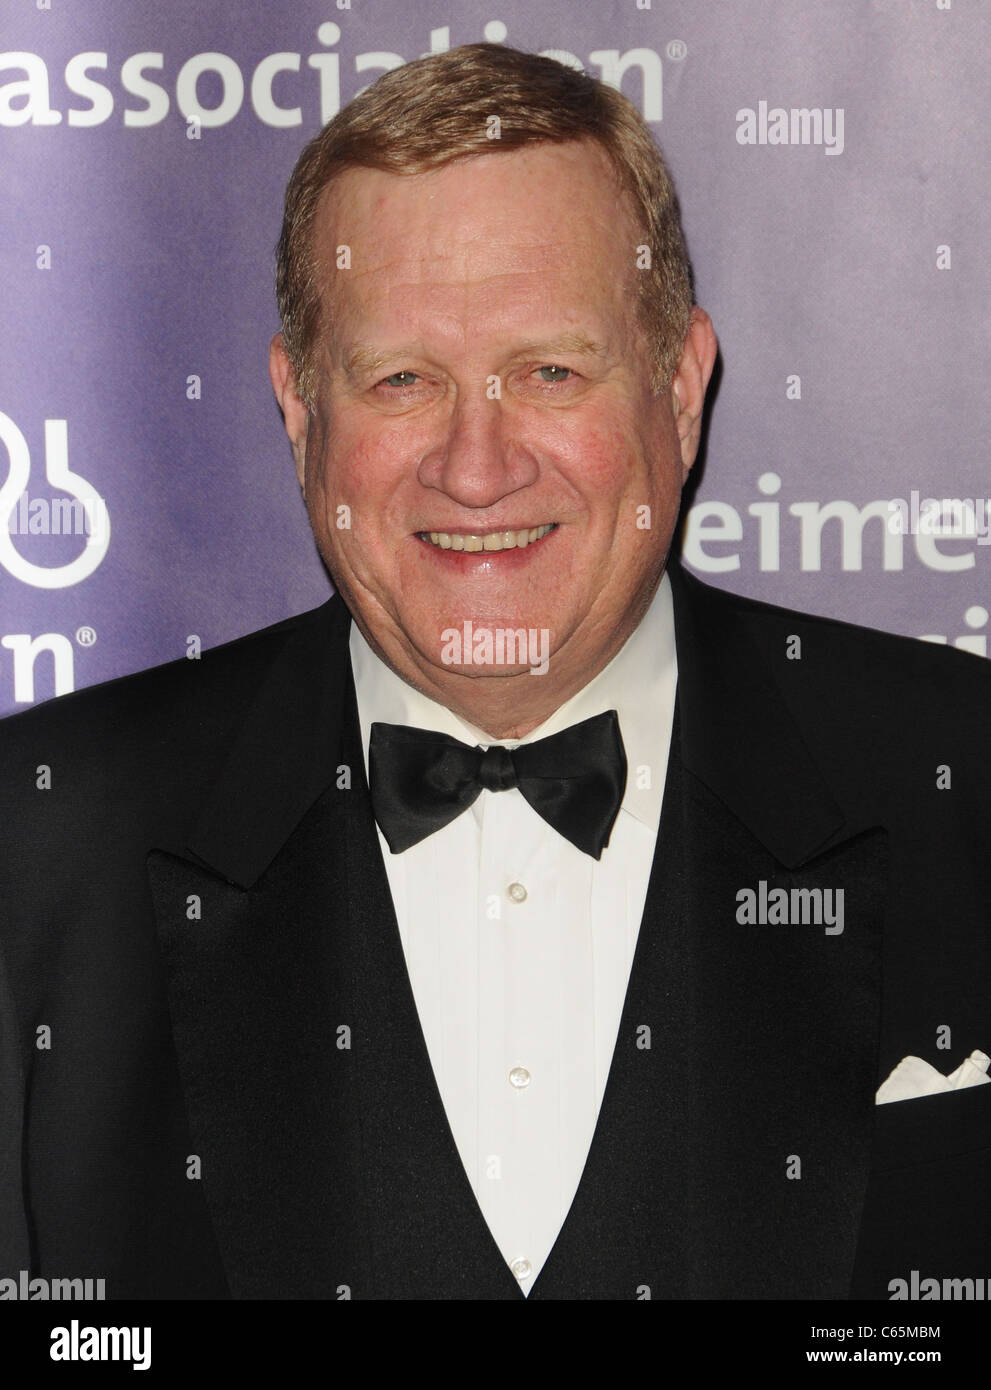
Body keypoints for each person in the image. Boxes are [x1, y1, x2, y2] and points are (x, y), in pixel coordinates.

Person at [1, 43, 988, 1302]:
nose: (476, 468)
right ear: (301, 413)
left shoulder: (961, 781)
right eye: (402, 379)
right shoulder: (40, 839)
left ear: (680, 391)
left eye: (550, 372)